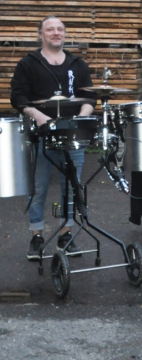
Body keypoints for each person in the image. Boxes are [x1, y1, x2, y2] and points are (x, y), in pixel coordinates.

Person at [10, 16, 96, 260]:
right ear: (41, 35)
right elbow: (18, 97)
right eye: (50, 29)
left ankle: (66, 234)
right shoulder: (28, 64)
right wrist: (37, 116)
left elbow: (89, 97)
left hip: (72, 134)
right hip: (41, 134)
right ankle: (37, 235)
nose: (56, 33)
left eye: (60, 29)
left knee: (72, 186)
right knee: (38, 187)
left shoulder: (77, 63)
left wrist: (81, 118)